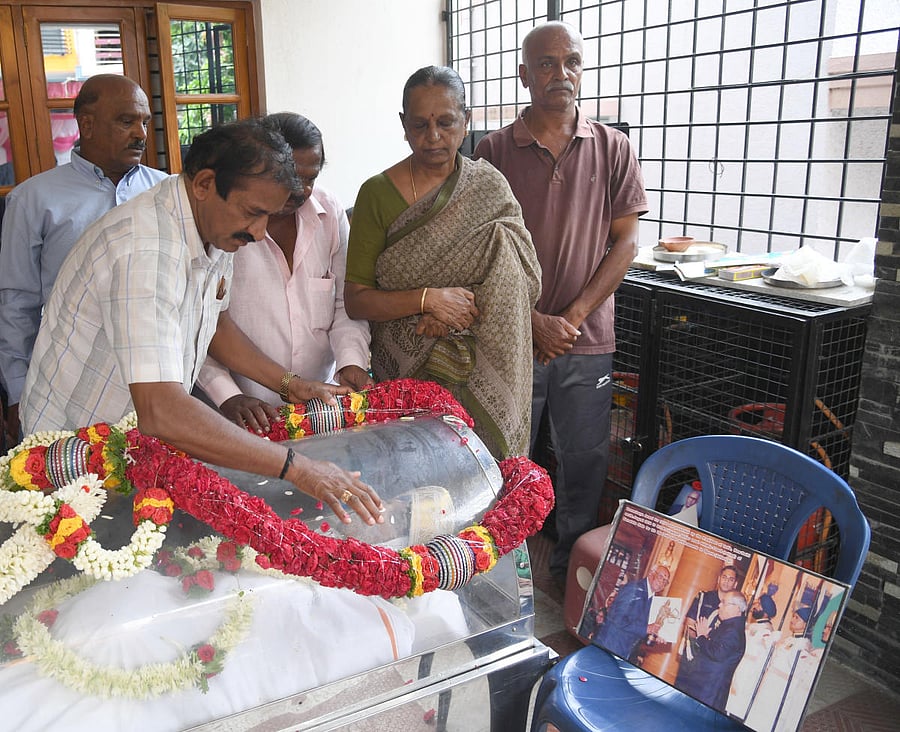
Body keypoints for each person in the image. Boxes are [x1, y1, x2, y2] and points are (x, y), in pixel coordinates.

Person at [20, 118, 383, 527]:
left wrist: (289, 383)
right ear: (204, 183)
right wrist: (299, 468)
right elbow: (162, 410)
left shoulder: (210, 224)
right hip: (69, 456)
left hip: (131, 448)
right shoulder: (146, 250)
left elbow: (215, 325)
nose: (260, 233)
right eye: (254, 213)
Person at [473, 22, 648, 581]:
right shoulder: (493, 149)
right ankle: (504, 566)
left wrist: (570, 318)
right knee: (506, 448)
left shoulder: (613, 147)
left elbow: (626, 241)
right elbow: (476, 254)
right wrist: (530, 321)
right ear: (523, 74)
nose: (561, 74)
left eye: (571, 61)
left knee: (584, 456)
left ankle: (574, 566)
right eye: (546, 64)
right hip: (510, 335)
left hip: (586, 338)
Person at [344, 65, 541, 459]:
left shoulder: (489, 186)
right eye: (419, 125)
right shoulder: (376, 194)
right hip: (405, 375)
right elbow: (357, 299)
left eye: (446, 122)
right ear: (403, 125)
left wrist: (456, 310)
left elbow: (522, 273)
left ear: (466, 122)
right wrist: (427, 300)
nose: (433, 137)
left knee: (480, 486)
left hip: (483, 361)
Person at [0, 74, 169, 446]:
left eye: (144, 121)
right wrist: (15, 393)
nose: (140, 133)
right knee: (80, 498)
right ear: (87, 125)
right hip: (65, 388)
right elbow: (17, 304)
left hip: (158, 386)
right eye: (126, 121)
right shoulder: (33, 199)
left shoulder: (167, 192)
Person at [196, 112, 372, 433]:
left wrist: (350, 362)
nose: (301, 190)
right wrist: (228, 395)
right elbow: (202, 322)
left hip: (319, 406)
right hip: (242, 410)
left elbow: (344, 304)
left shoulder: (330, 213)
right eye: (291, 178)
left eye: (311, 178)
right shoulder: (225, 225)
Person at [675, 589, 747, 710]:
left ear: (737, 608)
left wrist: (702, 637)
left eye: (724, 602)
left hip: (708, 691)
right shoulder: (729, 626)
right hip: (704, 686)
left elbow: (717, 653)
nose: (719, 605)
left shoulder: (734, 631)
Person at [677, 564, 740, 678]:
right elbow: (689, 624)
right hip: (693, 654)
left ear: (735, 584)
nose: (726, 582)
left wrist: (707, 639)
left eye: (731, 579)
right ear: (719, 579)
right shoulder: (703, 597)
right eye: (724, 577)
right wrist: (701, 637)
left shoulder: (735, 608)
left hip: (711, 663)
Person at [595, 565, 670, 660]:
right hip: (608, 645)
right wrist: (646, 629)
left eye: (665, 581)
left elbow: (640, 628)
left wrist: (656, 635)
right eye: (661, 577)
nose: (662, 582)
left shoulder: (653, 600)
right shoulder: (633, 589)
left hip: (623, 652)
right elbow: (616, 618)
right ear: (651, 573)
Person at [727, 585, 780, 718]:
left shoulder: (767, 632)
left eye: (758, 604)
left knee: (735, 711)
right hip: (738, 671)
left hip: (747, 679)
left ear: (766, 611)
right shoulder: (754, 626)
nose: (754, 605)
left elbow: (760, 662)